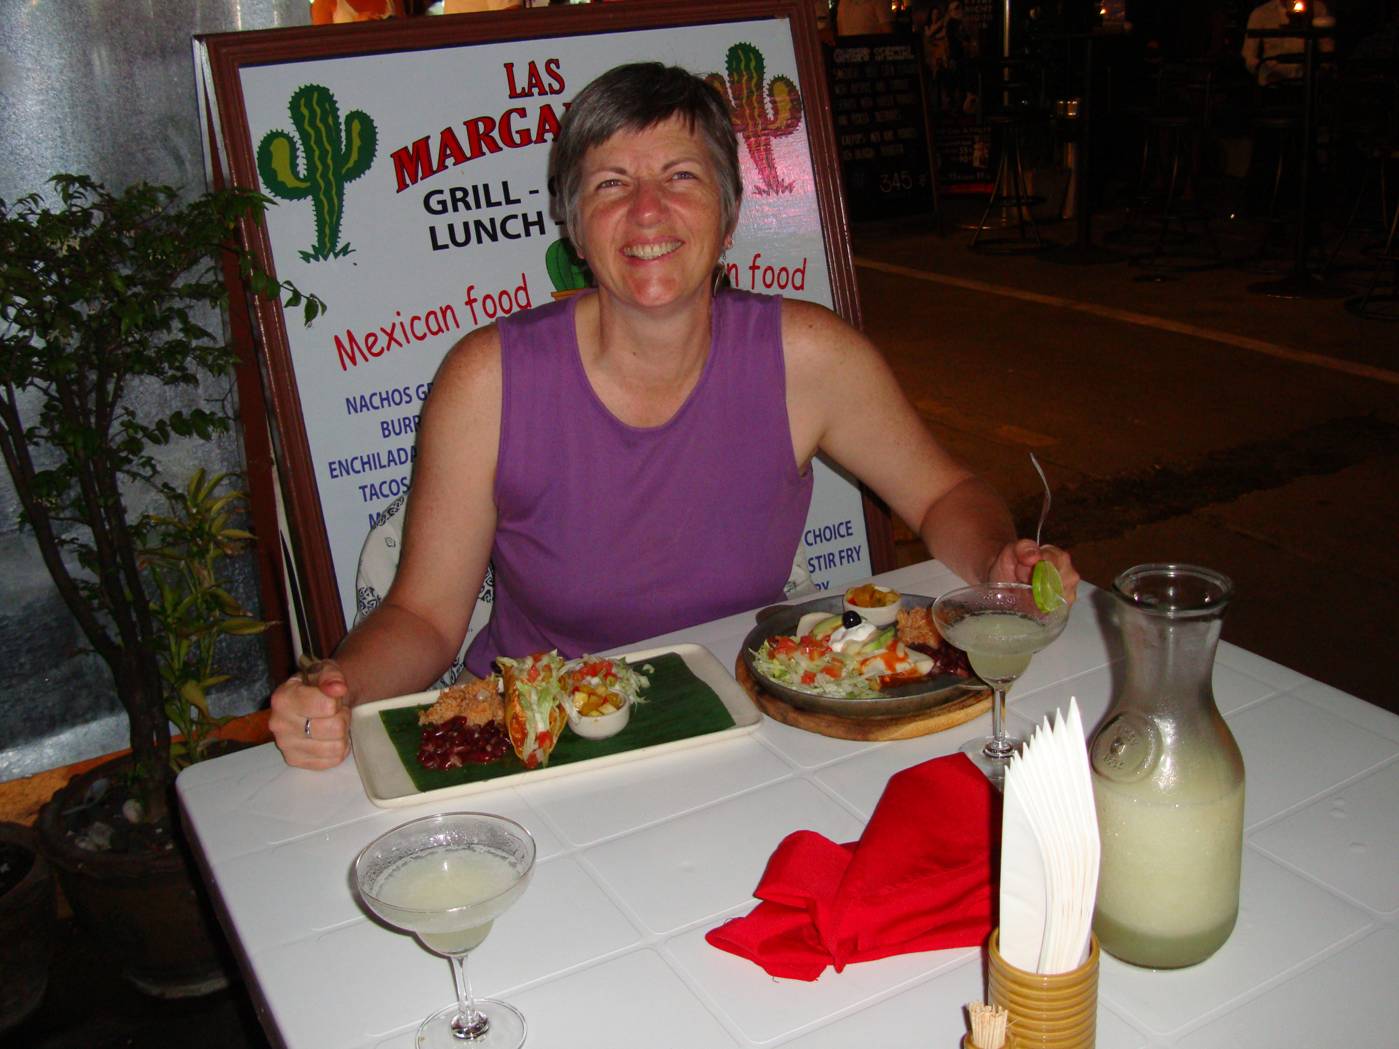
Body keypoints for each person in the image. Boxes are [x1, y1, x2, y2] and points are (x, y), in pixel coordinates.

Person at [270, 62, 1080, 770]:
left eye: (681, 177)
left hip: (750, 719)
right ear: (575, 229)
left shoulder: (809, 357)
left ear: (728, 216)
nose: (648, 211)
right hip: (549, 737)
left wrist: (993, 566)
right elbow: (421, 615)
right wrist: (338, 691)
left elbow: (944, 496)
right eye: (611, 183)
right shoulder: (487, 379)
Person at [1241, 0, 1335, 87]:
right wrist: (1267, 74)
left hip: (1310, 83)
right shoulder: (1261, 14)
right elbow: (1249, 55)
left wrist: (1323, 70)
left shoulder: (1317, 9)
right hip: (1273, 86)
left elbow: (1327, 47)